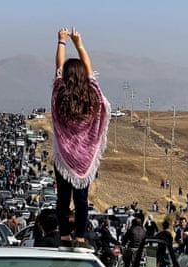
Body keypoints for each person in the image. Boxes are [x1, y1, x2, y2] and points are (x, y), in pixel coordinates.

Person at [52, 27, 110, 253]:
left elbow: (58, 67)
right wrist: (80, 43)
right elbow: (90, 72)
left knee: (63, 198)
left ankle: (65, 235)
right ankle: (80, 237)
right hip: (85, 158)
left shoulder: (59, 94)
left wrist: (61, 41)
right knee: (82, 198)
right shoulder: (93, 96)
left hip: (64, 157)